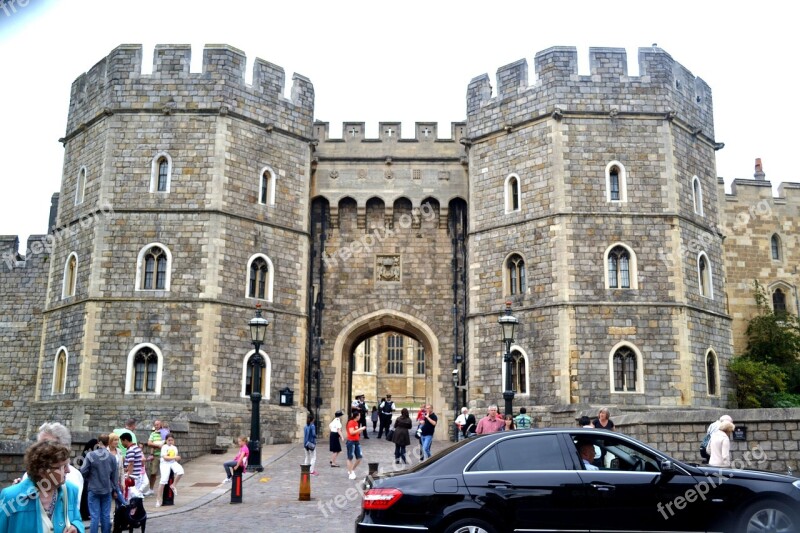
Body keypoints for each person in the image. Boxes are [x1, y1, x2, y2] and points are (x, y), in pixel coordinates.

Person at [0, 440, 83, 533]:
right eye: (62, 467)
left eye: (67, 465)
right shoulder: (11, 497)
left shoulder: (71, 490)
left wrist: (76, 527)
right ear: (42, 471)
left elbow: (77, 519)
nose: (68, 470)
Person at [16, 422, 85, 503]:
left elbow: (71, 512)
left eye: (47, 444)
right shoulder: (29, 475)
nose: (40, 449)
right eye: (39, 444)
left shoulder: (72, 478)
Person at [80, 433, 124, 533]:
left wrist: (89, 477)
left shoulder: (90, 455)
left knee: (94, 516)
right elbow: (114, 476)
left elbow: (83, 471)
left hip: (93, 489)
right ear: (108, 442)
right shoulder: (112, 457)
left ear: (98, 443)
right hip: (107, 489)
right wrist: (115, 489)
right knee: (105, 515)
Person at [156, 434, 184, 507]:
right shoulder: (164, 447)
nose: (170, 442)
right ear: (166, 440)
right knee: (163, 480)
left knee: (180, 471)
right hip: (165, 464)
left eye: (172, 440)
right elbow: (165, 457)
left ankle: (173, 485)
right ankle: (158, 499)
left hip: (172, 462)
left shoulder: (174, 448)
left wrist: (177, 458)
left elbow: (175, 458)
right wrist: (175, 457)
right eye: (169, 440)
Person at [119, 432, 148, 498]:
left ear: (125, 440)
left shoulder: (130, 450)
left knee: (130, 496)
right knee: (135, 494)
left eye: (122, 441)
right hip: (137, 474)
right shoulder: (137, 448)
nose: (121, 443)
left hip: (133, 476)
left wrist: (128, 475)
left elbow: (131, 463)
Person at [79, 438, 99, 521]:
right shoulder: (90, 455)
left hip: (84, 478)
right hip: (87, 478)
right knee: (86, 498)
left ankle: (85, 513)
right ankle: (86, 513)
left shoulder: (84, 454)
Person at [144, 421, 165, 496]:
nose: (156, 426)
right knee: (153, 473)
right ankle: (151, 489)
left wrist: (155, 444)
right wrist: (158, 445)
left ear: (161, 425)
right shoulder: (153, 434)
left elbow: (168, 442)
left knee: (165, 473)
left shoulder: (165, 433)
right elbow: (149, 443)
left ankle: (165, 489)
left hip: (164, 456)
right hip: (155, 455)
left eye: (158, 424)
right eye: (155, 425)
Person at [346, 410, 366, 480]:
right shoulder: (351, 422)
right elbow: (351, 432)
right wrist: (360, 429)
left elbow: (356, 432)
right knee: (350, 457)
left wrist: (361, 430)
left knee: (359, 457)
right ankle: (350, 472)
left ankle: (352, 470)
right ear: (357, 416)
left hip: (356, 441)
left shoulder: (356, 423)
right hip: (351, 441)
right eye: (359, 415)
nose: (360, 416)